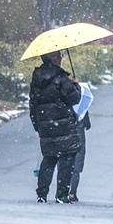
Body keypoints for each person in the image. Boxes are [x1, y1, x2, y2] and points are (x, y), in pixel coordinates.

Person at [28, 50, 82, 203]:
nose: (61, 58)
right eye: (59, 56)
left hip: (45, 125)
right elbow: (74, 98)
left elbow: (32, 103)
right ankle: (62, 194)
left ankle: (42, 193)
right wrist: (75, 86)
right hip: (63, 123)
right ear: (53, 59)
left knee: (49, 158)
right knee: (67, 158)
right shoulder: (61, 77)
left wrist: (37, 124)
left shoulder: (36, 78)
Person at [67, 111, 91, 202]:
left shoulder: (62, 101)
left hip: (65, 134)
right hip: (78, 136)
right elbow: (87, 125)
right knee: (76, 168)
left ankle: (61, 191)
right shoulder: (82, 103)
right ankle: (72, 192)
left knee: (64, 165)